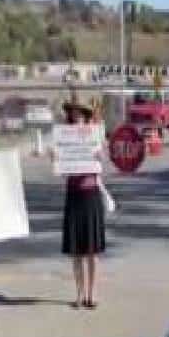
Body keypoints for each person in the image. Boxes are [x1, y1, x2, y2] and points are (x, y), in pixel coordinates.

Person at [61, 100, 106, 309]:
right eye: (73, 115)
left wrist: (98, 153)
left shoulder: (94, 135)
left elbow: (101, 161)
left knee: (92, 250)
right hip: (73, 194)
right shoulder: (64, 137)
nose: (76, 118)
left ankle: (92, 293)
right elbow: (61, 168)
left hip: (91, 193)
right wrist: (56, 159)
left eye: (80, 115)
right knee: (76, 250)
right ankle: (79, 293)